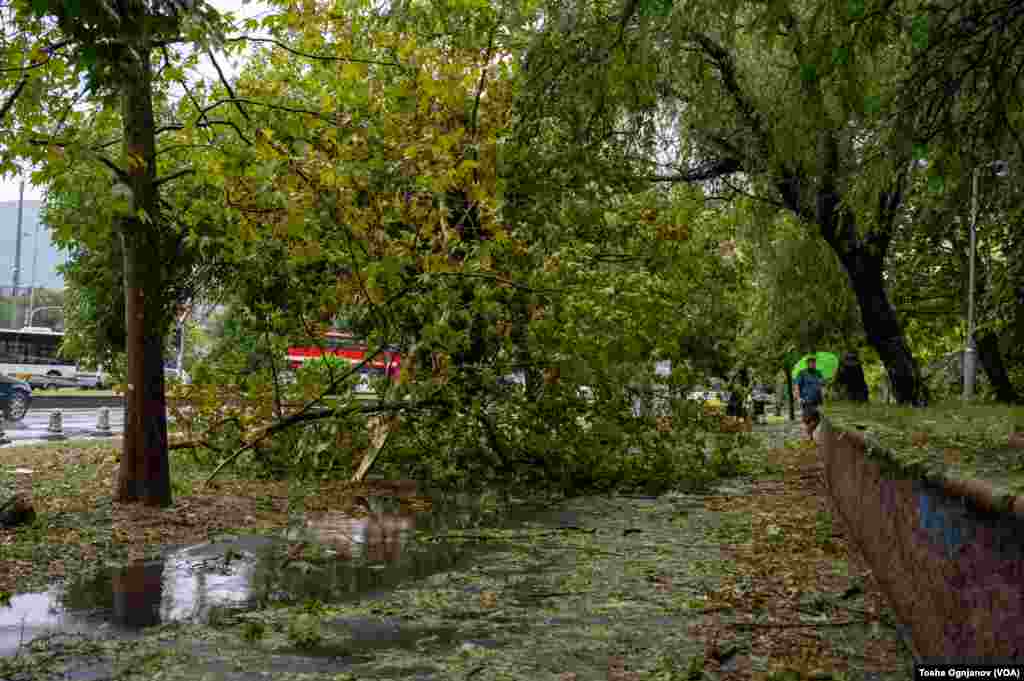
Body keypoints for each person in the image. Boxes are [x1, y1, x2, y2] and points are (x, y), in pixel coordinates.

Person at [795, 357, 825, 439]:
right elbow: (797, 386)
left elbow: (823, 385)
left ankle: (808, 433)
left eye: (814, 363)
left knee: (818, 419)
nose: (812, 364)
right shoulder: (802, 373)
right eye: (811, 363)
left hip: (818, 400)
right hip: (806, 400)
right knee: (808, 420)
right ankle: (809, 436)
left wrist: (823, 390)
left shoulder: (818, 373)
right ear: (807, 364)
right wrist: (798, 398)